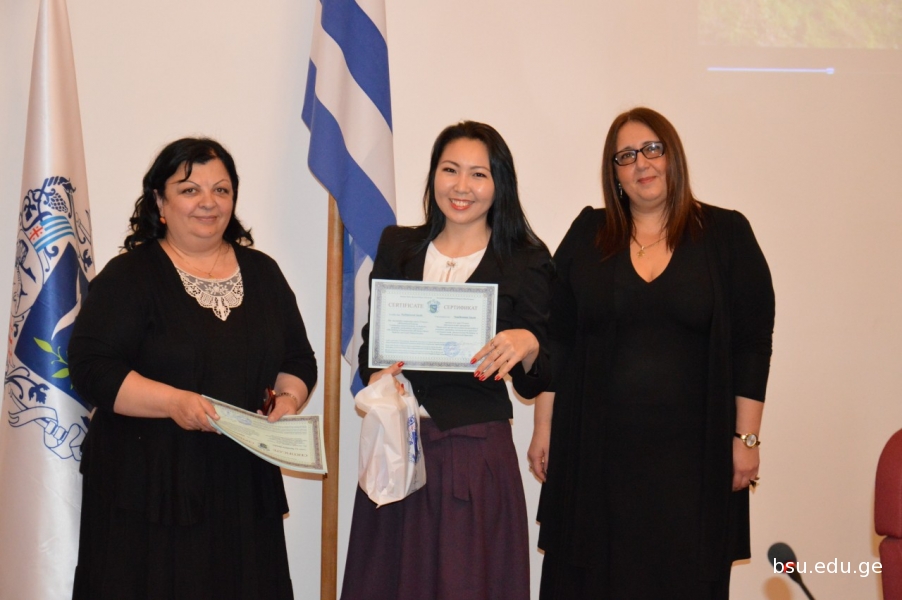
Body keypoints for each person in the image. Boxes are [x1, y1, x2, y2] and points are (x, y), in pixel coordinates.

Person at [530, 107, 775, 599]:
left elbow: (753, 342)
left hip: (693, 462)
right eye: (625, 156)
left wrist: (746, 440)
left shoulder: (725, 234)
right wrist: (543, 428)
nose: (640, 162)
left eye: (651, 149)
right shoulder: (588, 233)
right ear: (615, 174)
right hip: (594, 457)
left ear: (672, 156)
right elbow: (558, 336)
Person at [68, 138, 317, 600]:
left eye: (221, 190)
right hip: (147, 486)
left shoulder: (263, 273)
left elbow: (298, 359)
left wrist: (287, 399)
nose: (208, 202)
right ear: (159, 202)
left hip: (242, 484)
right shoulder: (128, 276)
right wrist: (174, 403)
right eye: (189, 189)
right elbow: (91, 369)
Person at [340, 121, 552, 600]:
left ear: (499, 184)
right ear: (433, 174)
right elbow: (374, 344)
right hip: (398, 447)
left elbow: (537, 378)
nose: (461, 186)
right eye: (450, 170)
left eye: (478, 174)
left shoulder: (526, 258)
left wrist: (528, 343)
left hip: (475, 455)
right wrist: (379, 375)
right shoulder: (398, 245)